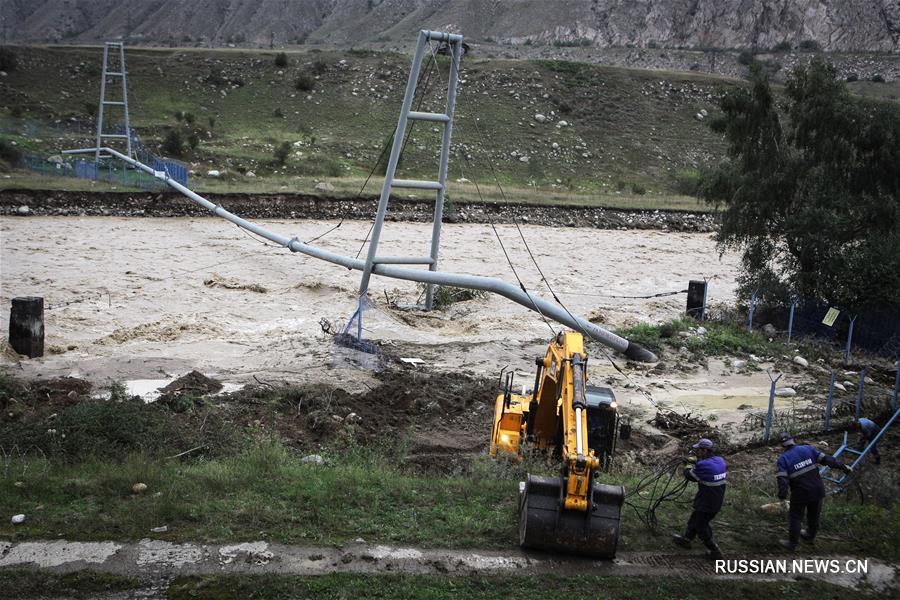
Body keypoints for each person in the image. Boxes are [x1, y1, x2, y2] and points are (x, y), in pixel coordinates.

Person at [775, 432, 851, 550]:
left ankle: (792, 544)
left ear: (781, 445)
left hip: (800, 492)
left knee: (795, 517)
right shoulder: (808, 449)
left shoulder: (783, 459)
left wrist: (782, 496)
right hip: (817, 489)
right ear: (793, 440)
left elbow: (782, 480)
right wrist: (843, 467)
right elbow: (827, 460)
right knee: (814, 515)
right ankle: (810, 536)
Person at [672, 438, 726, 560]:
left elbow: (690, 475)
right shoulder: (720, 461)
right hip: (716, 500)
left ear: (705, 450)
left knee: (701, 525)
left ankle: (715, 551)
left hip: (707, 502)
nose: (696, 452)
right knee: (695, 517)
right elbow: (708, 468)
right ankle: (687, 539)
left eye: (698, 450)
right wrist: (696, 462)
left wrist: (689, 464)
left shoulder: (703, 465)